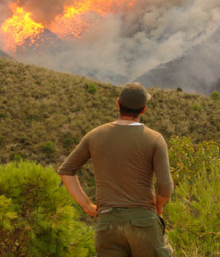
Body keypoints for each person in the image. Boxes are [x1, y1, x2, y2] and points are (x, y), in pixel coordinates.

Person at [58, 82, 174, 257]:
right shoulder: (155, 139)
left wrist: (87, 206)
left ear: (118, 103)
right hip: (144, 222)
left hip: (107, 224)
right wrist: (158, 208)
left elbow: (66, 171)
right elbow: (166, 187)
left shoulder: (95, 135)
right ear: (143, 109)